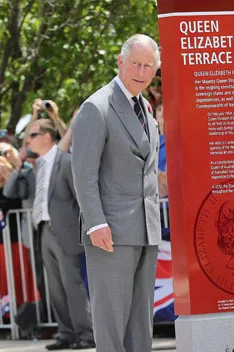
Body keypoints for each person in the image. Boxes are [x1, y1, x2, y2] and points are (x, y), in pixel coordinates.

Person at [71, 34, 161, 352]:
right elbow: (83, 173)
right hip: (110, 231)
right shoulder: (96, 107)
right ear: (120, 62)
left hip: (146, 229)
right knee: (112, 325)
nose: (141, 70)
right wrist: (95, 223)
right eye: (135, 63)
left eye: (148, 65)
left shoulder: (145, 107)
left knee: (140, 324)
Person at [8, 120, 94, 349]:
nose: (28, 140)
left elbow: (81, 199)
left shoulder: (65, 161)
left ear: (47, 136)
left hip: (66, 233)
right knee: (54, 287)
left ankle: (86, 334)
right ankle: (66, 334)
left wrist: (85, 231)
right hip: (43, 231)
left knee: (72, 284)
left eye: (32, 135)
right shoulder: (40, 165)